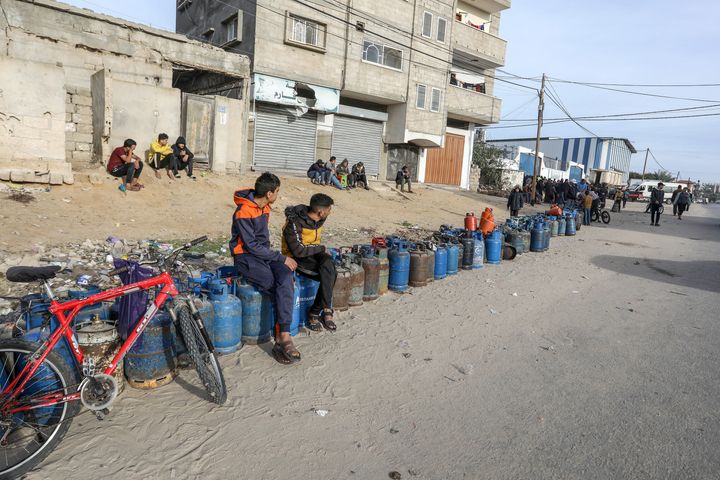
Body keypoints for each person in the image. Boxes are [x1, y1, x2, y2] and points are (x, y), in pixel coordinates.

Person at [229, 172, 300, 365]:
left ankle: (284, 335)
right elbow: (250, 245)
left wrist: (279, 260)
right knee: (273, 284)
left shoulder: (265, 208)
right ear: (269, 193)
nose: (277, 195)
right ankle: (281, 337)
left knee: (286, 276)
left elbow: (262, 244)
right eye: (277, 191)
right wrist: (280, 257)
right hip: (245, 257)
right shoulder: (244, 211)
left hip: (264, 255)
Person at [282, 193, 337, 332]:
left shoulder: (318, 219)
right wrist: (322, 248)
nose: (330, 212)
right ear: (321, 212)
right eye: (329, 210)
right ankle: (321, 311)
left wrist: (321, 250)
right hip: (296, 258)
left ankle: (318, 310)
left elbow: (313, 245)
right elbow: (298, 250)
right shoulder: (294, 222)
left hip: (312, 254)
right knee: (328, 275)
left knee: (330, 268)